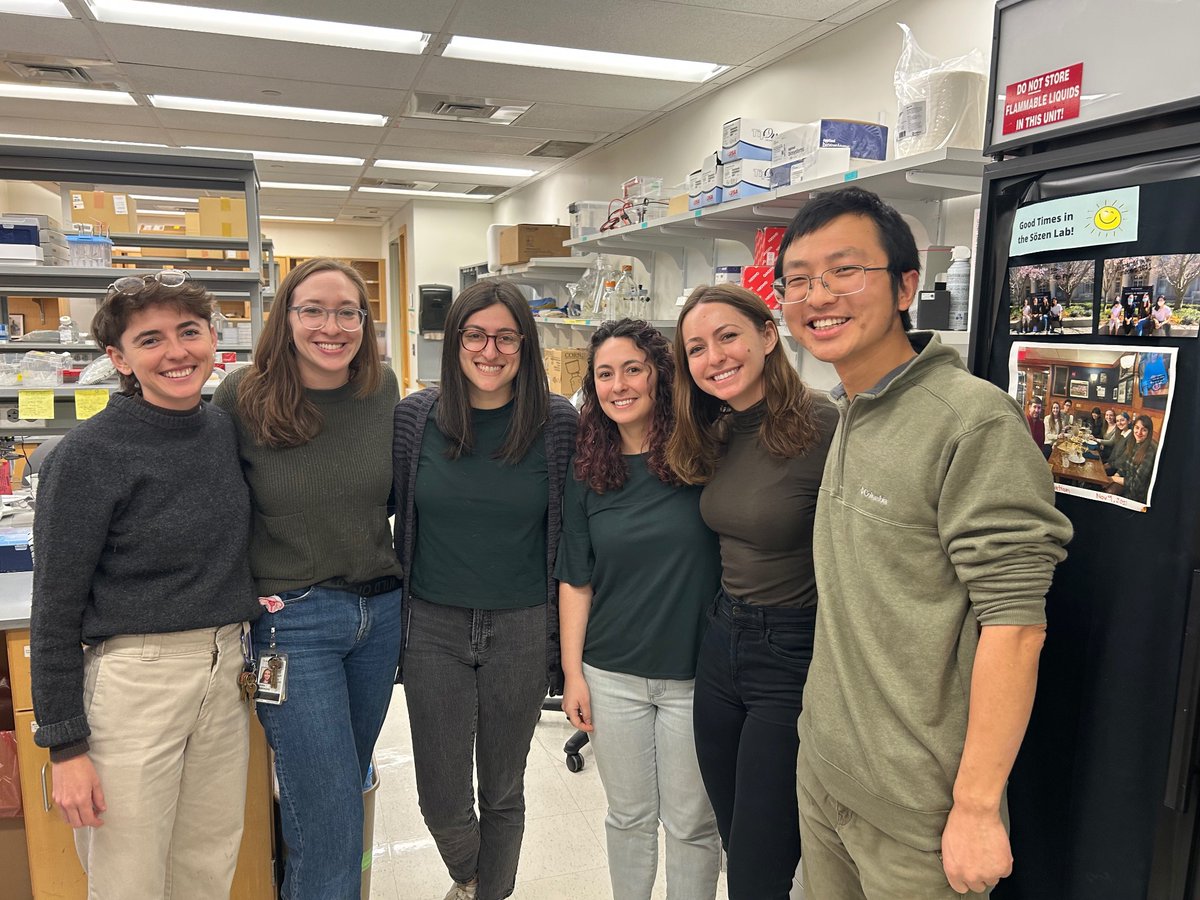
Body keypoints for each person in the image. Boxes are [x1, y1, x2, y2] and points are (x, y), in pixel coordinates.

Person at [775, 187, 1072, 897]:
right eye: (798, 279)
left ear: (908, 284)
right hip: (825, 772)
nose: (819, 295)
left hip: (919, 813)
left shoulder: (971, 422)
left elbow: (1017, 627)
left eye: (846, 271)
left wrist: (974, 809)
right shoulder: (850, 407)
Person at [30, 271, 259, 897]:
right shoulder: (86, 455)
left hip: (226, 670)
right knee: (129, 879)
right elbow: (53, 611)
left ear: (214, 338)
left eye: (189, 332)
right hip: (135, 683)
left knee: (208, 869)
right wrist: (65, 746)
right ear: (118, 357)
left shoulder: (221, 430)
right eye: (150, 339)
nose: (176, 352)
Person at [212, 257, 403, 900]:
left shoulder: (382, 390)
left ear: (364, 319)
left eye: (347, 311)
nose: (331, 326)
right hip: (290, 624)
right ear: (285, 317)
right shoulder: (243, 394)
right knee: (329, 823)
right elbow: (213, 507)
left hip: (379, 617)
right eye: (312, 310)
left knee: (338, 791)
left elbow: (389, 496)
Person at [393, 280, 578, 900]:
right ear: (456, 341)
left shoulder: (556, 423)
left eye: (506, 336)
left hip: (522, 628)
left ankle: (488, 894)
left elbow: (578, 524)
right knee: (441, 794)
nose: (490, 350)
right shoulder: (415, 418)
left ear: (525, 344)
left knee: (503, 790)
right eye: (476, 334)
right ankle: (474, 876)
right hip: (434, 627)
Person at [666, 283, 837, 900]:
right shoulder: (713, 429)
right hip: (720, 645)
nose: (714, 357)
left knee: (760, 865)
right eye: (696, 348)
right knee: (735, 837)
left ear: (768, 334)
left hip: (790, 653)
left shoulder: (826, 426)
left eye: (728, 336)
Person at [557, 319, 722, 900]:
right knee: (627, 817)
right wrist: (573, 675)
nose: (619, 384)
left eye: (633, 369)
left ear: (660, 376)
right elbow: (576, 582)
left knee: (692, 824)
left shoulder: (703, 458)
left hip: (697, 675)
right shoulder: (588, 472)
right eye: (605, 373)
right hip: (612, 673)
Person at [1109, 414, 1158, 502]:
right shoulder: (1133, 443)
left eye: (1144, 430)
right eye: (1137, 428)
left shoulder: (1149, 452)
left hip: (1133, 496)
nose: (1139, 432)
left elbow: (1136, 484)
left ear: (1148, 432)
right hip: (1125, 487)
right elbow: (1123, 468)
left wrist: (1113, 479)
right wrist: (1114, 477)